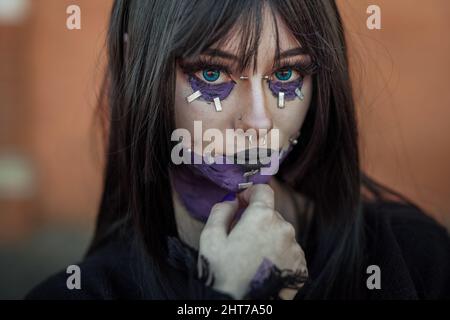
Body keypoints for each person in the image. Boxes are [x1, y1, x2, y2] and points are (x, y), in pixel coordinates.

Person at [27, 0, 450, 300]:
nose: (261, 122)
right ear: (138, 59)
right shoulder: (86, 292)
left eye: (287, 73)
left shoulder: (416, 260)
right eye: (212, 73)